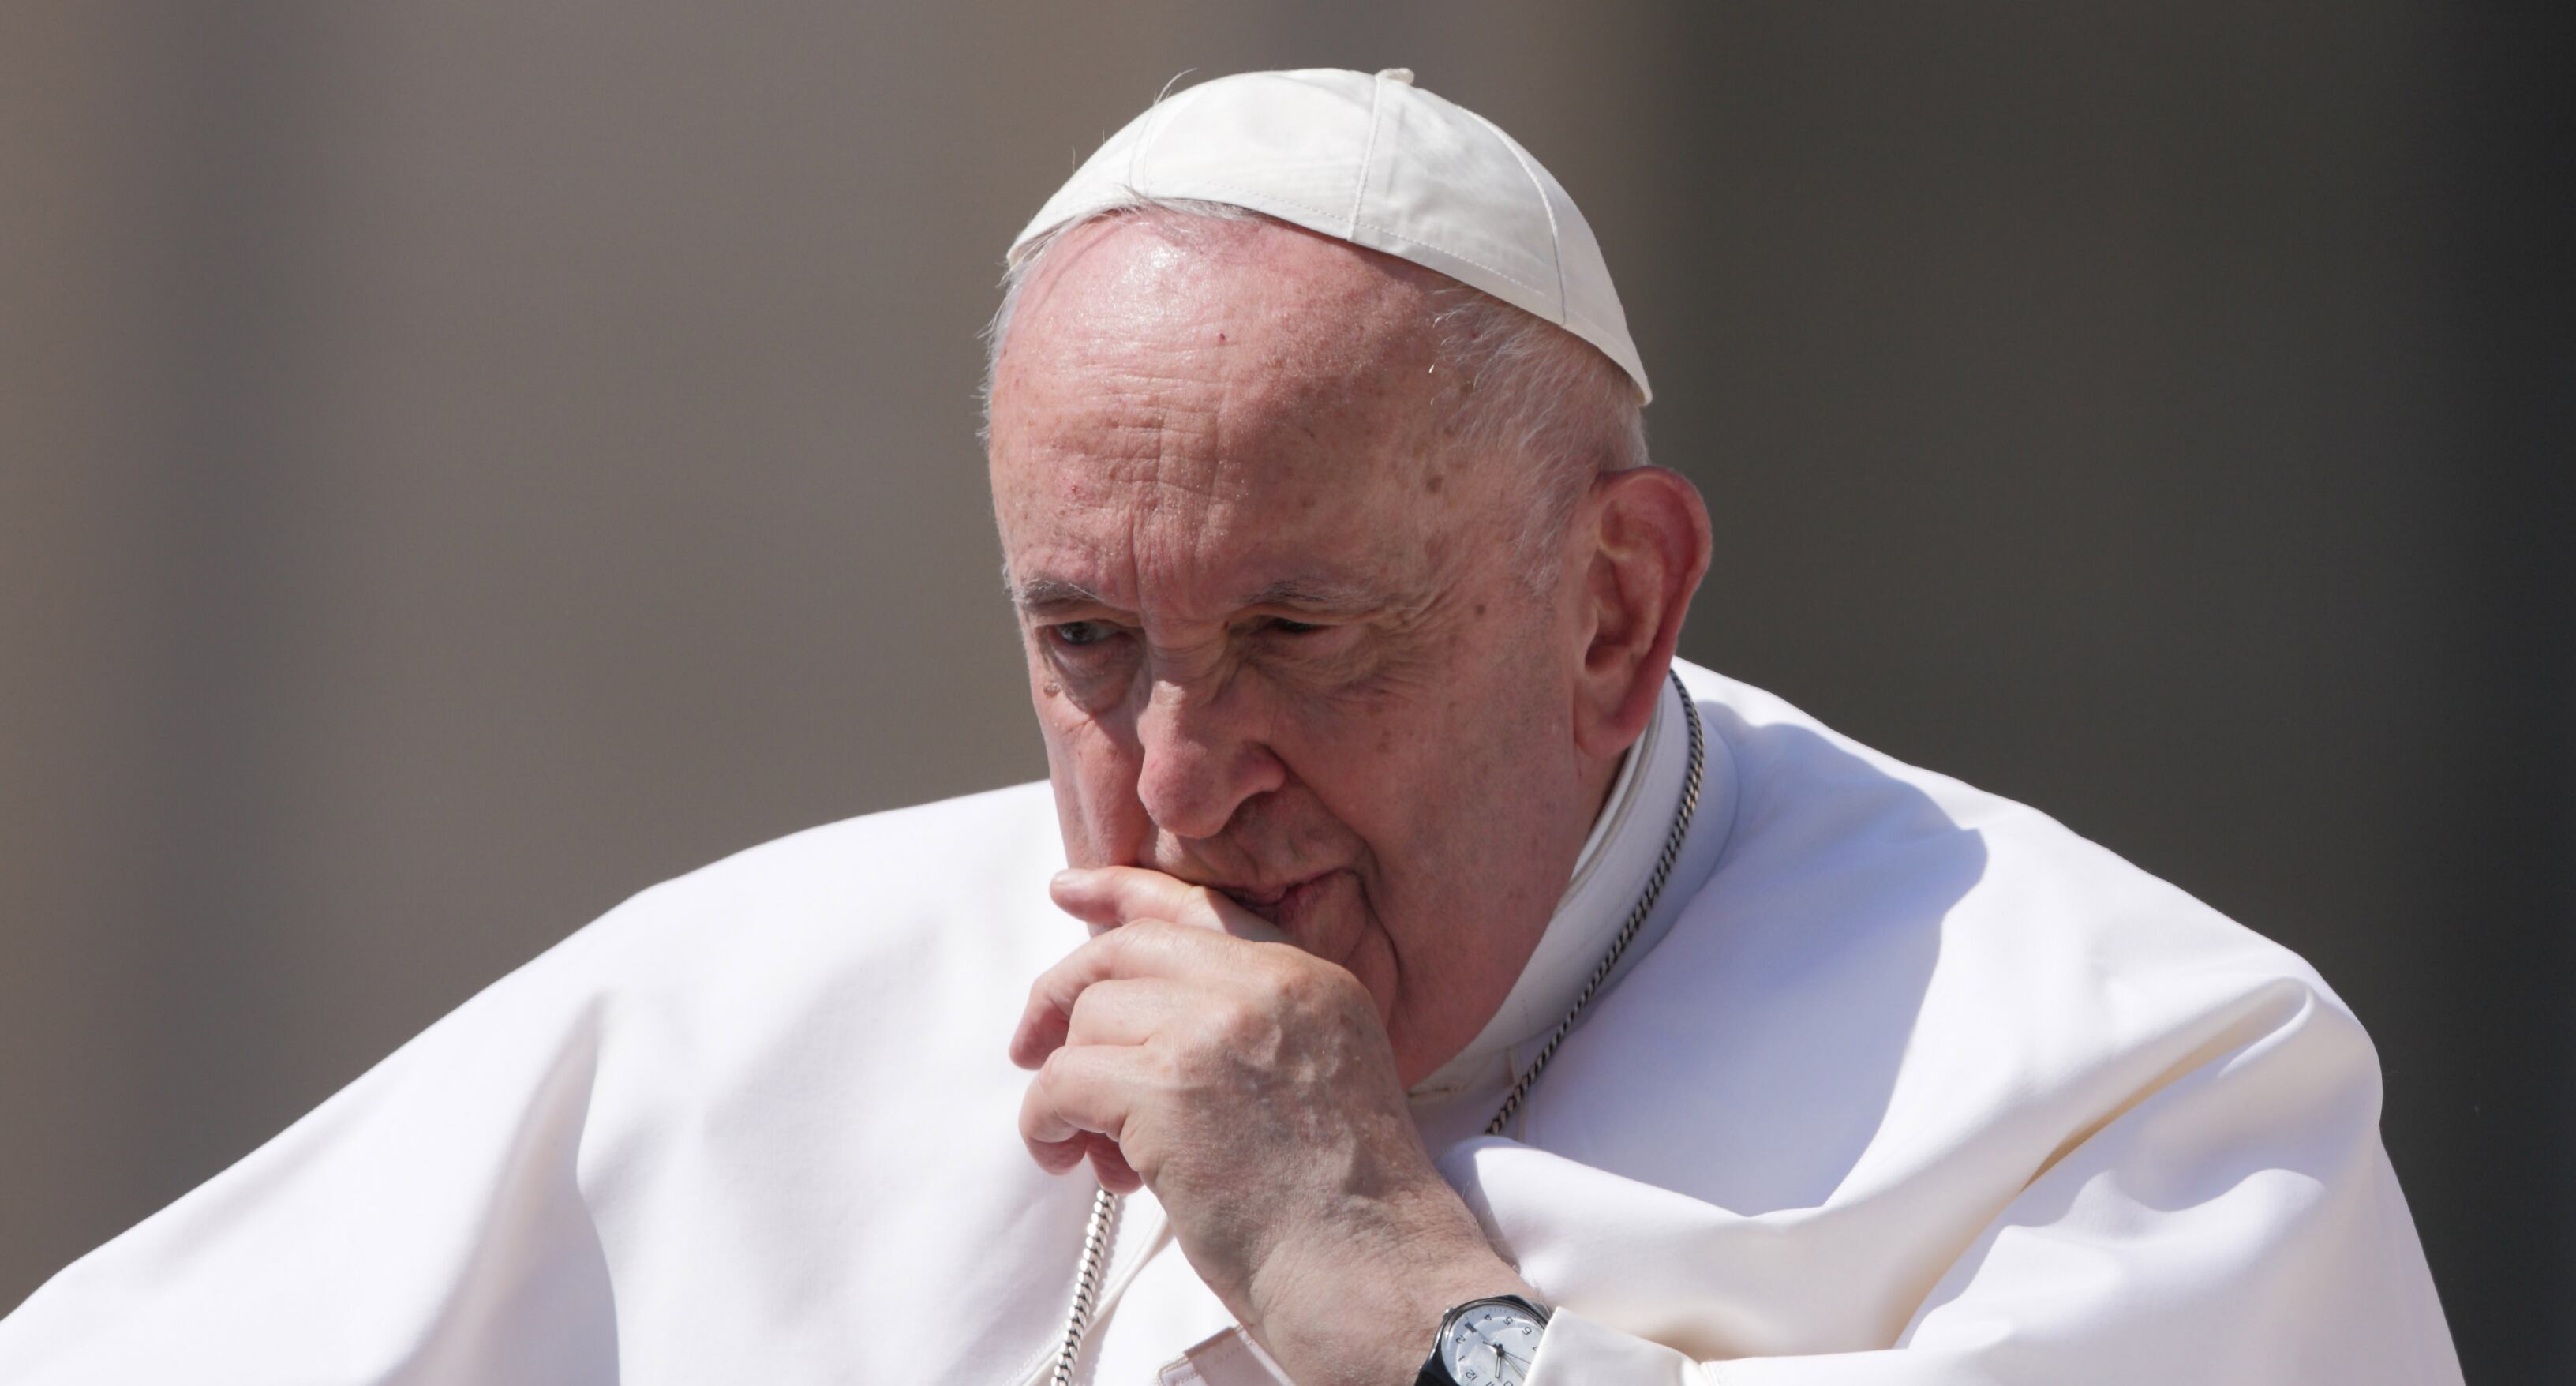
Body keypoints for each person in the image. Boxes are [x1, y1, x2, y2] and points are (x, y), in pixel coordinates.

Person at [0, 68, 2459, 1386]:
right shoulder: (720, 1018)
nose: (1178, 783)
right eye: (1088, 642)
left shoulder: (2138, 1080)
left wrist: (1402, 1294)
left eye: (1302, 634)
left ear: (1614, 609)